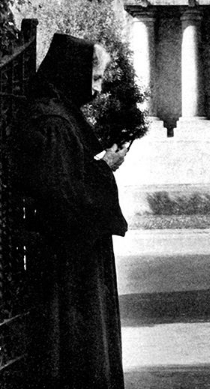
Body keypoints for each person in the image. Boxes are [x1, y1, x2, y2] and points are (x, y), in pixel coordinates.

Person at [16, 33, 129, 389]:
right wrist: (104, 168)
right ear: (73, 72)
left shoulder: (62, 115)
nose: (97, 90)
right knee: (74, 346)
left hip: (76, 253)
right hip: (68, 259)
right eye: (94, 78)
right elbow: (61, 195)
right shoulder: (53, 121)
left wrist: (98, 167)